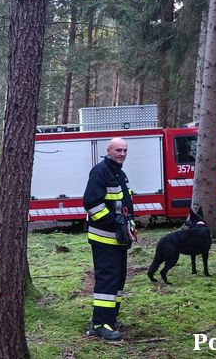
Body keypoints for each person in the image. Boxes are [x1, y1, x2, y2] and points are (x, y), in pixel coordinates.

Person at [83, 138, 137, 341]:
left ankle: (111, 318)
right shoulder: (100, 171)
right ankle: (99, 324)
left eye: (124, 150)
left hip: (118, 239)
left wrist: (128, 225)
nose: (122, 153)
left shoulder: (119, 173)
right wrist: (115, 222)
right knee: (107, 280)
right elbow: (91, 203)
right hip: (104, 237)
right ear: (108, 151)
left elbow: (124, 203)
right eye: (118, 150)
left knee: (118, 278)